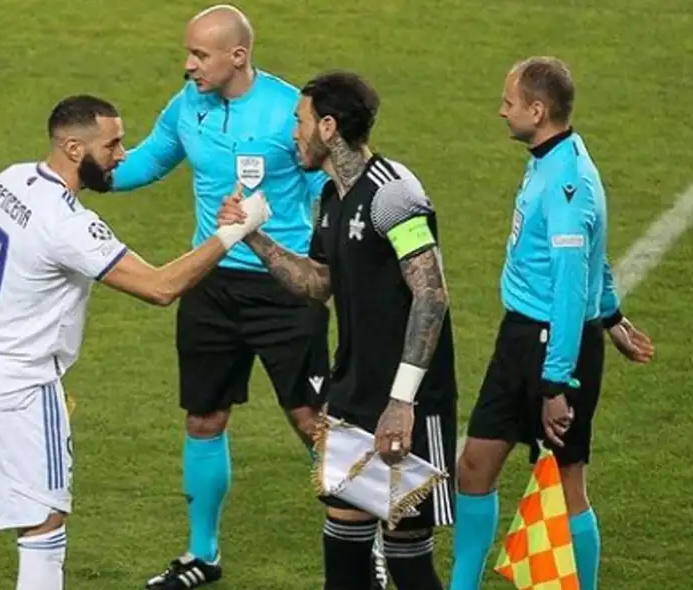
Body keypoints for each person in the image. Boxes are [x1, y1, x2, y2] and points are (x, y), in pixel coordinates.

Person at [0, 95, 272, 590]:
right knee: (44, 528)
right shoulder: (69, 224)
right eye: (112, 144)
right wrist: (233, 233)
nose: (122, 155)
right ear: (72, 147)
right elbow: (160, 287)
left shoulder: (8, 181)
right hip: (20, 386)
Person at [110, 6, 330, 586]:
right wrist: (80, 171)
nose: (188, 66)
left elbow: (325, 188)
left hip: (286, 285)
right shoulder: (188, 106)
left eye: (199, 56)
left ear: (238, 56)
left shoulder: (289, 111)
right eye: (188, 54)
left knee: (314, 421)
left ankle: (370, 538)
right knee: (204, 418)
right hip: (209, 283)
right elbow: (147, 163)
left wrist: (333, 266)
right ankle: (202, 554)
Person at [220, 70, 459, 590]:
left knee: (406, 557)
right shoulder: (331, 196)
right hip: (353, 393)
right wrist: (252, 238)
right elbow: (318, 283)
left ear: (328, 127)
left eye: (299, 121)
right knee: (344, 556)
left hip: (409, 399)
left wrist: (402, 401)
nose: (293, 134)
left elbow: (431, 293)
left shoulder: (395, 194)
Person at [448, 57, 655, 590]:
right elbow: (594, 256)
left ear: (537, 111)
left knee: (567, 484)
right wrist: (612, 313)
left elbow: (569, 286)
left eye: (509, 102)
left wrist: (555, 382)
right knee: (474, 467)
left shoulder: (567, 182)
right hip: (519, 337)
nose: (501, 111)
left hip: (555, 347)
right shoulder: (552, 157)